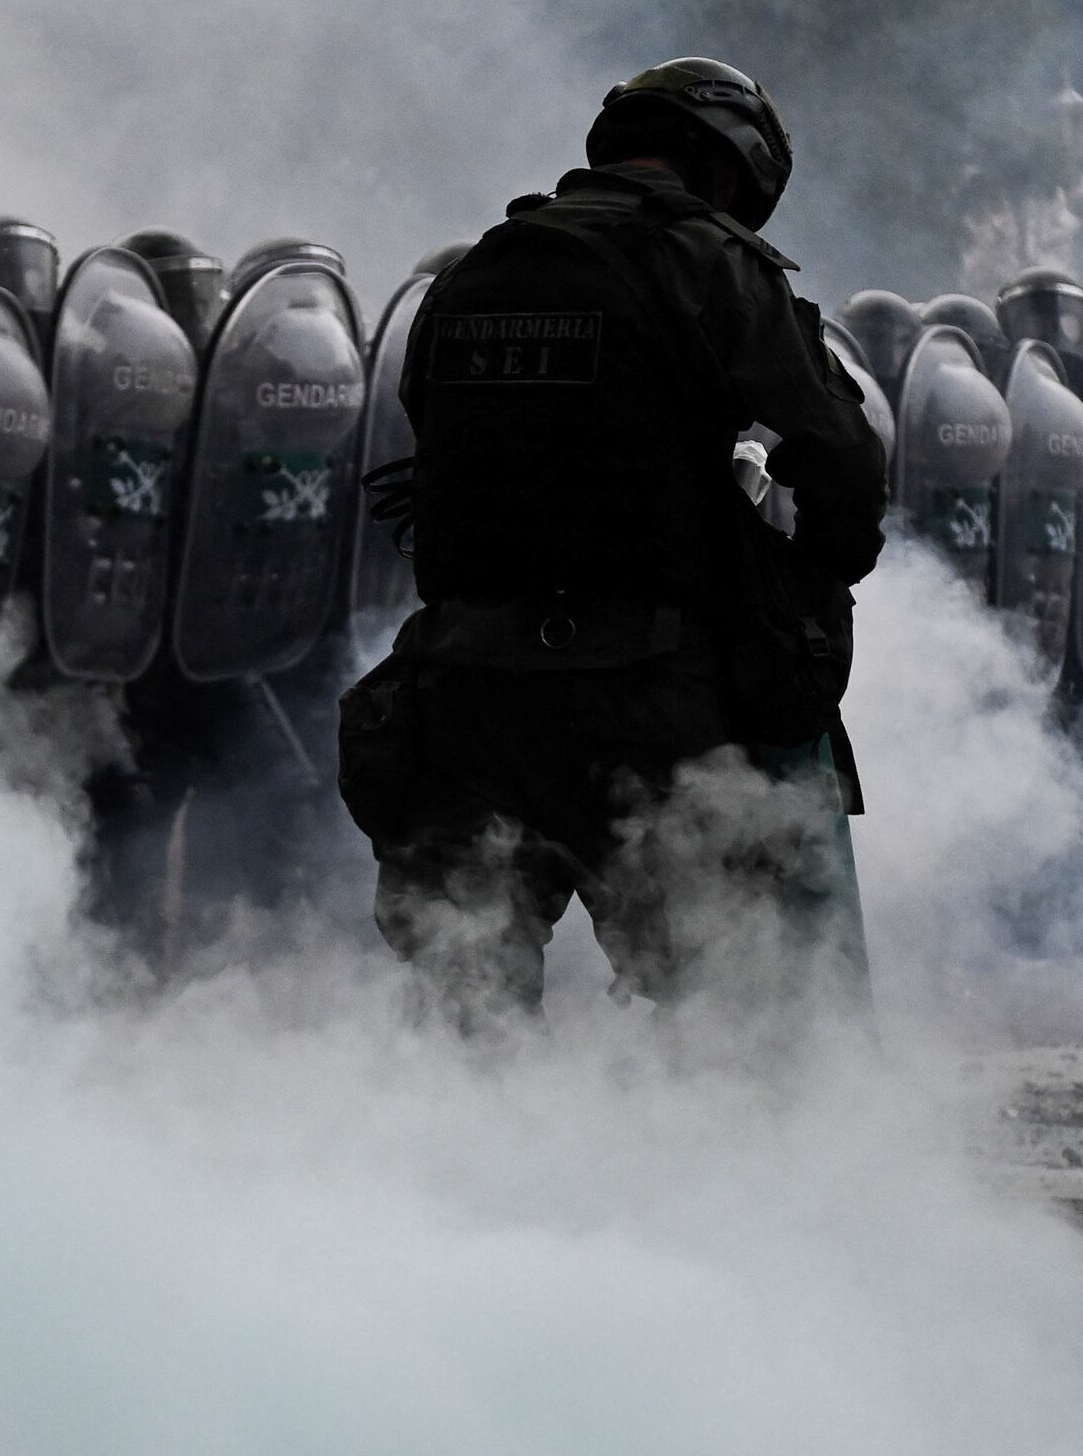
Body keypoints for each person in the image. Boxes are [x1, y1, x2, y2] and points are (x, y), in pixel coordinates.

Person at [335, 57, 886, 1020]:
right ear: (729, 168)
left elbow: (433, 456)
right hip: (651, 699)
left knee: (466, 1014)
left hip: (465, 697)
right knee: (723, 1014)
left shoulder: (468, 279)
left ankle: (435, 1171)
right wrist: (798, 580)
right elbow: (839, 454)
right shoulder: (713, 261)